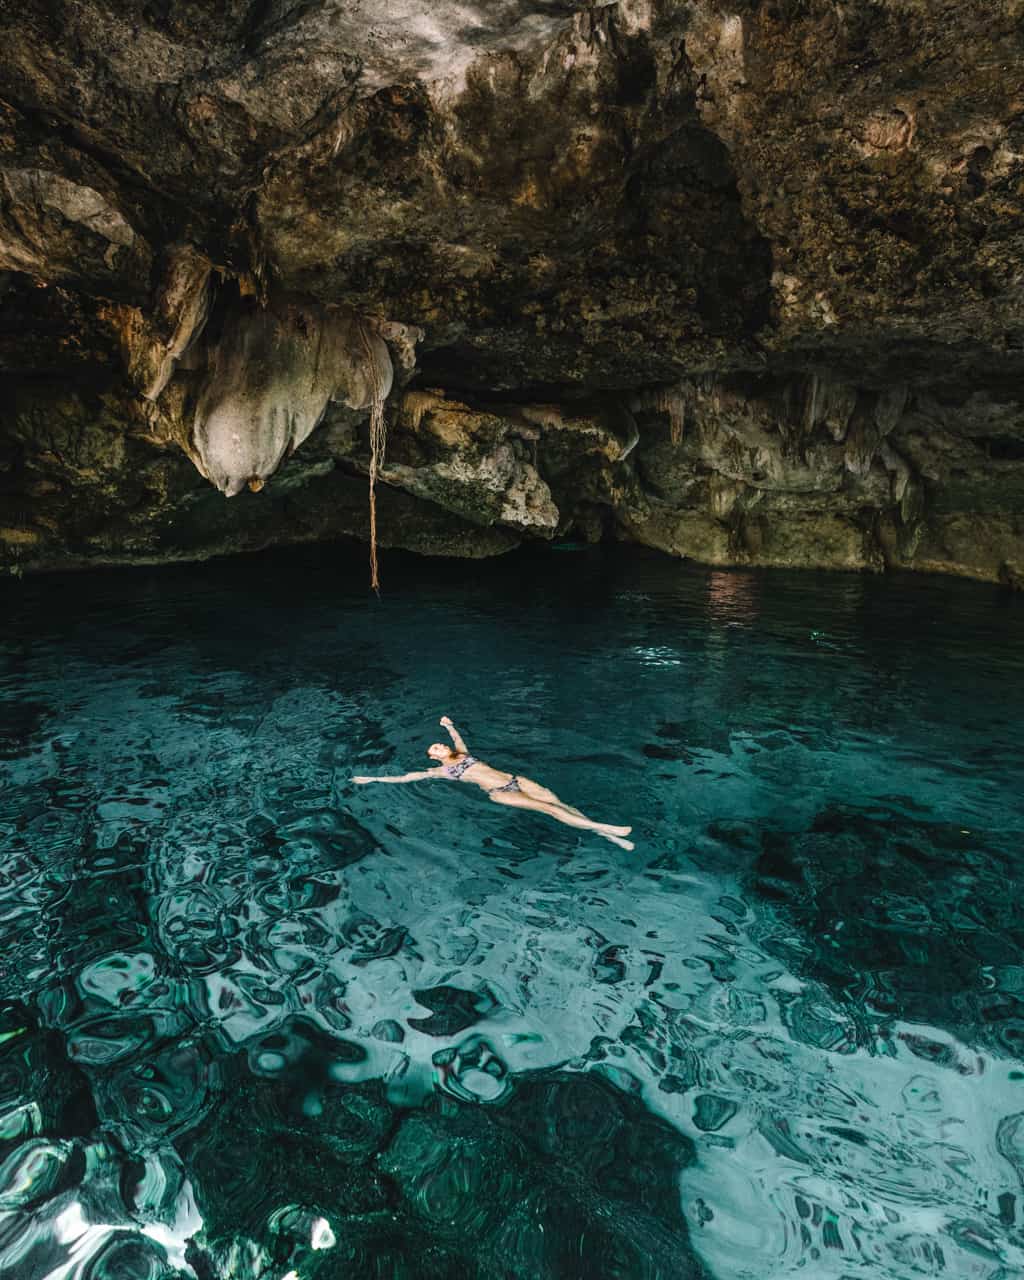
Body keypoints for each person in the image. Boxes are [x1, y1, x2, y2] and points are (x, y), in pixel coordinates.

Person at [353, 716, 634, 850]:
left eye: (439, 744)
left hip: (516, 780)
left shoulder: (463, 754)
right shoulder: (441, 772)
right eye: (435, 748)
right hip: (500, 793)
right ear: (432, 757)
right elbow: (407, 777)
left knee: (562, 804)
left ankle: (608, 836)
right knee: (550, 810)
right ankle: (603, 827)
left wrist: (448, 727)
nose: (439, 747)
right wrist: (373, 778)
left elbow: (458, 741)